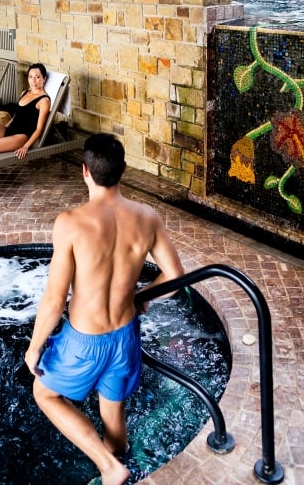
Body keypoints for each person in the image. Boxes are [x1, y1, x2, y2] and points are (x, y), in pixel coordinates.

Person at [24, 133, 185, 485]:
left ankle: (109, 468)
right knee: (114, 419)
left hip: (84, 341)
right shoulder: (147, 216)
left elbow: (54, 300)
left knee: (45, 393)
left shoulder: (71, 223)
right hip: (125, 336)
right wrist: (142, 298)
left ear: (84, 171)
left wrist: (35, 348)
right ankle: (120, 461)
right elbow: (175, 277)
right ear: (123, 170)